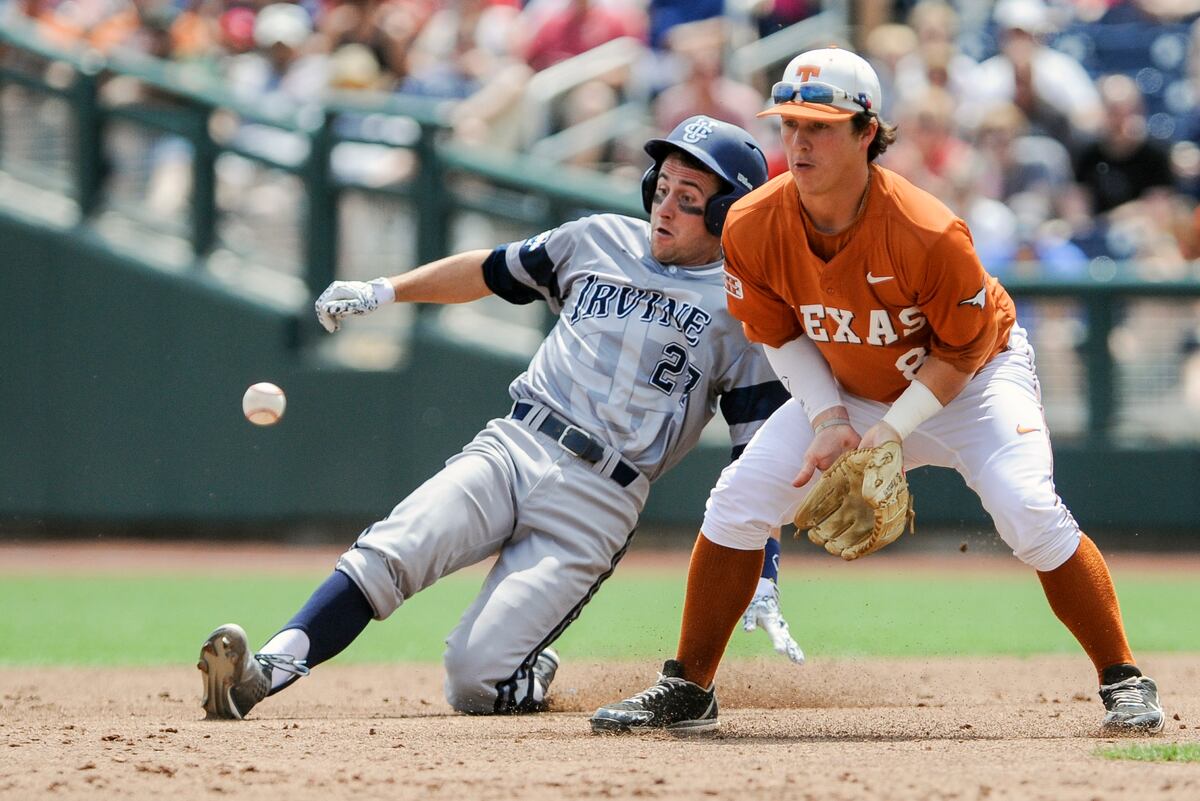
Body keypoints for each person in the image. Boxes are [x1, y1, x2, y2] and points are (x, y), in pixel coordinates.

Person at [589, 48, 1166, 735]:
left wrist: (892, 432)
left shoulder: (928, 229)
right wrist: (829, 418)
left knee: (1029, 510)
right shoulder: (751, 221)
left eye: (820, 126)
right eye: (790, 124)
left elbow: (964, 348)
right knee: (738, 503)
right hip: (852, 387)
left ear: (867, 132)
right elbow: (777, 332)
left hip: (974, 384)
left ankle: (1124, 679)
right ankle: (689, 688)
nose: (799, 142)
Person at [197, 115, 806, 721]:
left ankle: (525, 668)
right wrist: (386, 290)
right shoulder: (596, 238)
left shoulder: (745, 310)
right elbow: (488, 270)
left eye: (688, 198)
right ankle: (262, 673)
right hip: (515, 446)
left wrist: (764, 569)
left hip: (599, 500)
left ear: (728, 214)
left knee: (472, 681)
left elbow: (756, 460)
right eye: (662, 187)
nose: (664, 207)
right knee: (391, 552)